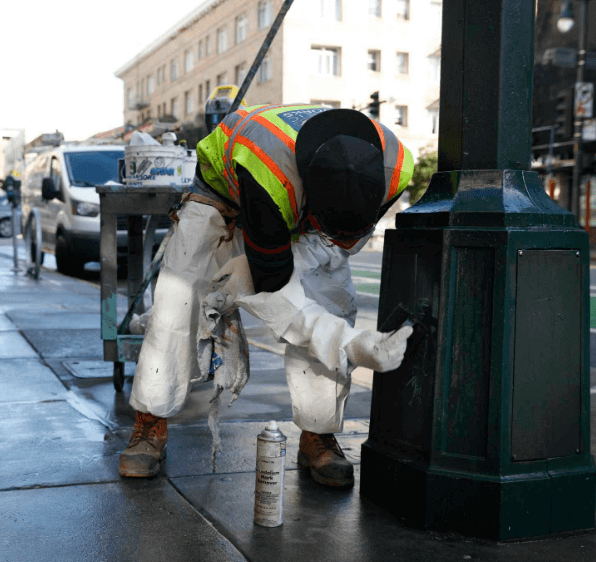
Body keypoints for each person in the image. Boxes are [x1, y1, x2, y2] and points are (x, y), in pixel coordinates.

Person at [119, 105, 416, 488]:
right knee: (179, 299)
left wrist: (339, 331)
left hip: (308, 209)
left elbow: (342, 241)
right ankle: (151, 422)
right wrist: (346, 345)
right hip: (223, 193)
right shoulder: (268, 170)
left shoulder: (396, 166)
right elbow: (273, 287)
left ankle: (318, 433)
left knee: (333, 301)